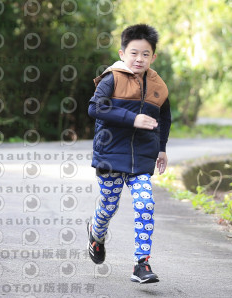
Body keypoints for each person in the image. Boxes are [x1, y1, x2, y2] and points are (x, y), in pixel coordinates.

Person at [86, 24, 171, 283]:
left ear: (153, 57)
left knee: (145, 204)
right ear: (122, 54)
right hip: (110, 156)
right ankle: (96, 234)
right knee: (108, 206)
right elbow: (95, 108)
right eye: (134, 53)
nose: (139, 59)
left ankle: (141, 264)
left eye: (145, 54)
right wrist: (132, 119)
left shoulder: (158, 86)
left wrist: (162, 148)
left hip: (142, 158)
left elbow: (164, 117)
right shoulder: (112, 78)